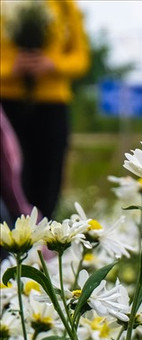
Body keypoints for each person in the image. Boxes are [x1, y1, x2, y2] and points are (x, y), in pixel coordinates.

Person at [0, 0, 89, 219]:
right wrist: (10, 68)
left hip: (52, 108)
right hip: (5, 107)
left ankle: (42, 249)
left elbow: (81, 59)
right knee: (9, 185)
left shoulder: (65, 4)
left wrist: (53, 64)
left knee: (48, 186)